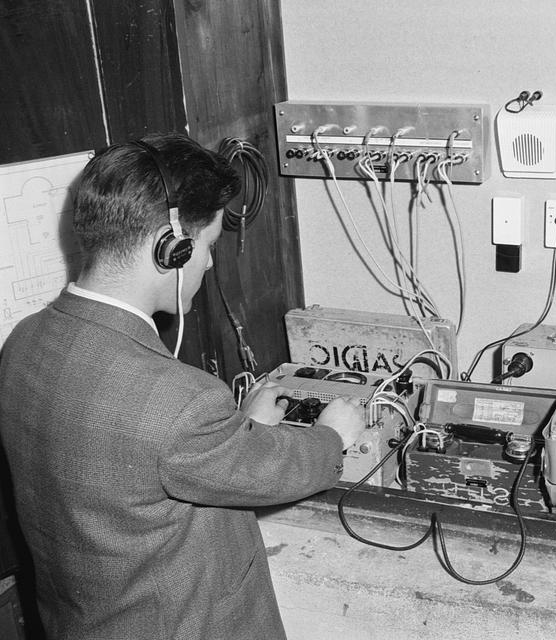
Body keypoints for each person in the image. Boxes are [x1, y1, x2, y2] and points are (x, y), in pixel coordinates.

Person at [0, 133, 365, 640]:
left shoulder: (24, 342)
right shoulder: (179, 400)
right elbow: (268, 469)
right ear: (170, 248)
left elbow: (138, 463)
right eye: (208, 246)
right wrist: (332, 436)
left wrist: (243, 428)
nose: (210, 263)